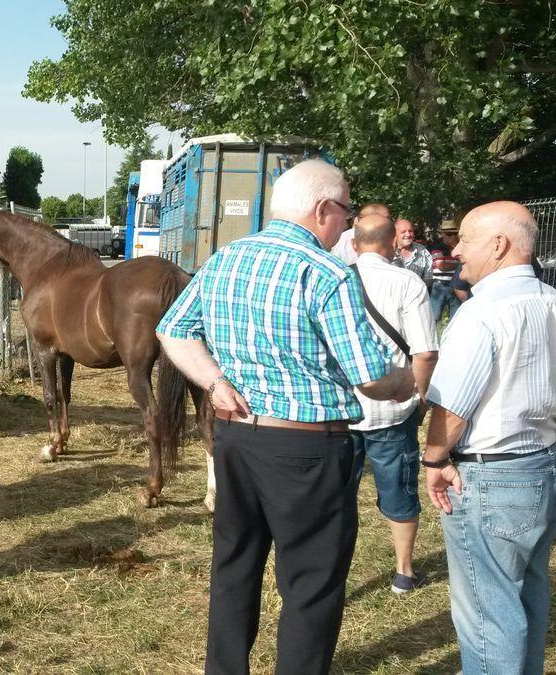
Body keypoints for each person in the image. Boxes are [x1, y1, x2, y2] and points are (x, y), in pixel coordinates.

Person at [157, 159, 414, 675]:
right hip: (308, 450)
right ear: (322, 209)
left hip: (236, 438)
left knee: (234, 567)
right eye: (345, 210)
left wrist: (215, 382)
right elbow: (368, 375)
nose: (347, 223)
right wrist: (408, 380)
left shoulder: (224, 259)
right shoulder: (326, 273)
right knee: (312, 582)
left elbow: (172, 330)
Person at [422, 201, 556, 675]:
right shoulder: (555, 303)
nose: (455, 249)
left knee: (488, 613)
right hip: (545, 466)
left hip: (494, 476)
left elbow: (452, 406)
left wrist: (434, 460)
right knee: (527, 594)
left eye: (464, 238)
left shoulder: (482, 312)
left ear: (499, 245)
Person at [348, 214, 439, 593]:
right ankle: (403, 571)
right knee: (399, 490)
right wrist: (419, 397)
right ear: (391, 244)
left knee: (334, 496)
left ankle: (329, 570)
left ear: (354, 244)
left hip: (340, 410)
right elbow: (426, 352)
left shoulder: (333, 277)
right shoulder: (408, 282)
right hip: (393, 407)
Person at [426, 219, 462, 322]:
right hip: (440, 285)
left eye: (453, 233)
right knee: (434, 318)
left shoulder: (460, 247)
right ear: (443, 234)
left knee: (456, 318)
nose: (452, 236)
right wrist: (459, 265)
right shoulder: (438, 247)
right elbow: (441, 265)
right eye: (448, 234)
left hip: (456, 286)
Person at [392, 218, 434, 287]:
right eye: (403, 232)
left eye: (410, 231)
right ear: (395, 233)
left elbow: (428, 279)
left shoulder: (423, 252)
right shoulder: (386, 251)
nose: (408, 234)